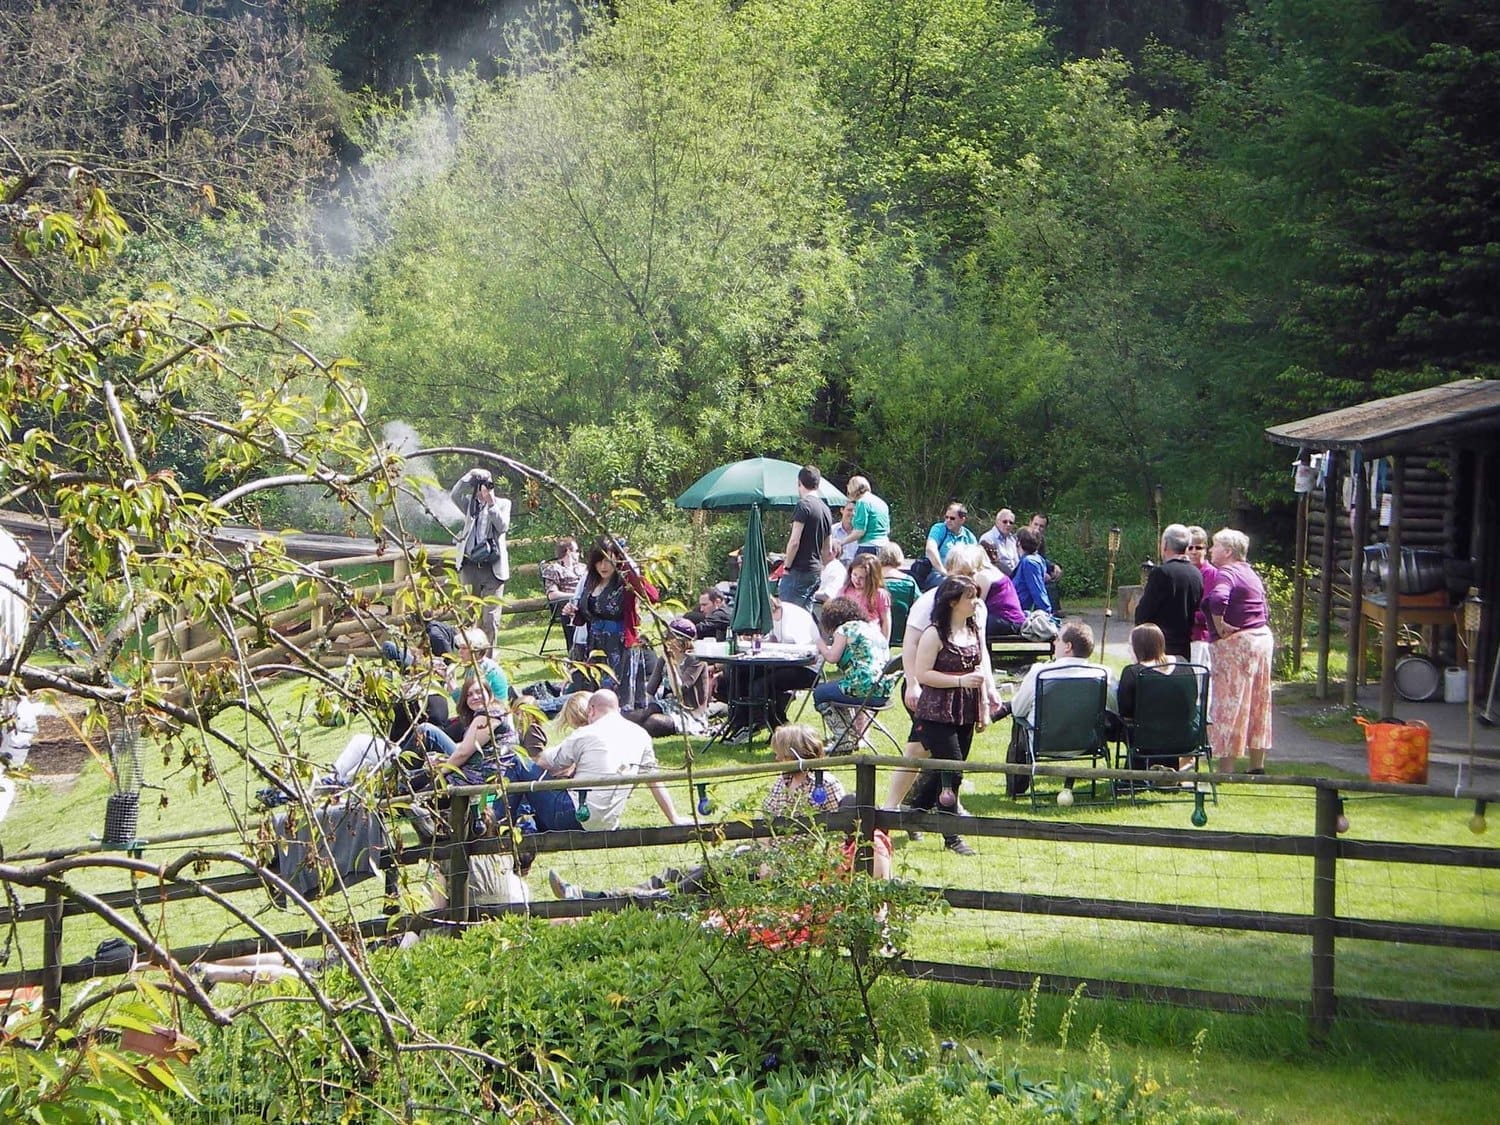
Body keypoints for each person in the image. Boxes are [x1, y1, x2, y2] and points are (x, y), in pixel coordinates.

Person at [547, 724, 889, 901]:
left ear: (795, 754)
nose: (774, 760)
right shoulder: (781, 782)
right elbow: (764, 824)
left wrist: (782, 864)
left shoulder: (825, 786)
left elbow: (831, 839)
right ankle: (596, 897)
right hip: (760, 855)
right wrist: (763, 851)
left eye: (779, 754)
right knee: (677, 872)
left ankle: (640, 900)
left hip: (786, 866)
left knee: (694, 880)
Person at [881, 576, 989, 826]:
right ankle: (952, 835)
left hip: (965, 711)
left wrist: (983, 706)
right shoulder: (934, 633)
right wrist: (960, 681)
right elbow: (923, 674)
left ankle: (912, 815)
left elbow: (980, 669)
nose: (976, 602)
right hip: (936, 712)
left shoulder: (973, 630)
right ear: (953, 602)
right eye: (970, 597)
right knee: (953, 772)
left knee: (944, 770)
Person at [532, 689, 689, 829]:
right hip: (608, 823)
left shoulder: (586, 733)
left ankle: (513, 826)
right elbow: (654, 780)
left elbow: (543, 763)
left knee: (519, 764)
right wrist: (674, 818)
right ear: (617, 709)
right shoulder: (641, 735)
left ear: (591, 710)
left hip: (576, 815)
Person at [997, 621, 1116, 798]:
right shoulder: (1103, 674)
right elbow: (1115, 708)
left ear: (1068, 646)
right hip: (1088, 744)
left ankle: (1015, 788)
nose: (1054, 643)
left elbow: (1018, 709)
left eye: (1058, 639)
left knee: (1018, 723)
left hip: (1043, 744)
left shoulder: (1040, 672)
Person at [1202, 528, 1273, 774]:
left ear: (1228, 551)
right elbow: (1263, 607)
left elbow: (1218, 599)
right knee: (1258, 701)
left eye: (1214, 546)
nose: (1211, 550)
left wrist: (1220, 625)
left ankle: (1226, 768)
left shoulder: (1228, 572)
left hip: (1237, 644)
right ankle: (1256, 765)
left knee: (1228, 702)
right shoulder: (1250, 573)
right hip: (1262, 637)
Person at [564, 538, 660, 711]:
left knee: (616, 694)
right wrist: (575, 611)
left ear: (618, 558)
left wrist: (629, 569)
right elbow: (589, 612)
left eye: (609, 560)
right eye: (599, 561)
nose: (603, 566)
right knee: (594, 692)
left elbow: (652, 596)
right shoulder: (591, 581)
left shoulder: (626, 582)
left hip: (620, 646)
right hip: (595, 646)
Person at [1117, 623, 1199, 773]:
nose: (1129, 649)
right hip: (1186, 739)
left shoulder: (1133, 673)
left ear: (1139, 647)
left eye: (1130, 644)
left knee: (1118, 723)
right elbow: (1193, 698)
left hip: (1146, 740)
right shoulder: (1184, 664)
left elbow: (1125, 711)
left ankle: (1140, 774)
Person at [627, 618, 716, 738]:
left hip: (689, 712)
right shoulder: (663, 659)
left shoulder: (696, 661)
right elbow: (650, 690)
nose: (665, 640)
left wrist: (670, 663)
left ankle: (637, 731)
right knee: (641, 714)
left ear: (680, 641)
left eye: (668, 637)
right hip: (668, 704)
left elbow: (678, 691)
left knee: (654, 722)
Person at [450, 467, 511, 640]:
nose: (486, 488)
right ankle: (469, 656)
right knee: (468, 614)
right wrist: (467, 477)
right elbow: (454, 495)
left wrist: (491, 503)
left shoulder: (503, 503)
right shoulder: (470, 503)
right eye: (483, 484)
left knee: (490, 618)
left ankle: (489, 660)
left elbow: (502, 527)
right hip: (470, 566)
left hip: (493, 568)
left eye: (489, 484)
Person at [812, 596, 892, 717]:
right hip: (883, 691)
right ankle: (852, 730)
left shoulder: (845, 629)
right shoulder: (871, 627)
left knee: (820, 692)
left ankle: (842, 732)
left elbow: (832, 657)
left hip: (862, 688)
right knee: (836, 687)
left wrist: (817, 640)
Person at [1134, 523, 1204, 659]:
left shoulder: (1162, 573)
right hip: (1184, 647)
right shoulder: (1196, 574)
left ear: (1165, 544)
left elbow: (1143, 614)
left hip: (1159, 648)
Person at [778, 465, 834, 611]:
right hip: (815, 571)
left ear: (799, 483)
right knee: (805, 617)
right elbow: (827, 549)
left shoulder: (803, 505)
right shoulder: (826, 509)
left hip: (798, 570)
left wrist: (787, 567)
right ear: (818, 484)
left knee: (788, 615)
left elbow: (794, 541)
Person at [920, 503, 979, 591]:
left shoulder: (970, 537)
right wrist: (944, 572)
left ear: (962, 520)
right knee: (953, 586)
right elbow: (930, 549)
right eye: (946, 517)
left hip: (962, 577)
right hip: (937, 574)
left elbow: (976, 561)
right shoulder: (939, 529)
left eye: (952, 518)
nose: (948, 520)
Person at [1185, 525, 1217, 671]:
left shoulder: (1210, 574)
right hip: (1183, 637)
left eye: (1198, 548)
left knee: (1199, 683)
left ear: (1205, 549)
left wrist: (1183, 615)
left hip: (1201, 638)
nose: (1193, 552)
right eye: (1189, 547)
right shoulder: (1184, 571)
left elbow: (1206, 610)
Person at [841, 553, 892, 640]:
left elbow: (886, 621)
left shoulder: (879, 594)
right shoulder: (845, 591)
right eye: (854, 575)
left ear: (872, 578)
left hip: (870, 636)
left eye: (862, 578)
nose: (857, 580)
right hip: (847, 634)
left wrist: (884, 643)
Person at [975, 555, 1025, 640]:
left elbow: (978, 605)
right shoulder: (994, 570)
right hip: (1012, 620)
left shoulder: (983, 575)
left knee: (972, 624)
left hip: (1008, 621)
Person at [878, 543, 918, 641]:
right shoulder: (909, 581)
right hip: (903, 631)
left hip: (878, 629)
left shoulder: (873, 580)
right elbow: (919, 604)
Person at [842, 475, 890, 556]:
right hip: (885, 547)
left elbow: (860, 531)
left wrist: (841, 542)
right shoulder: (881, 502)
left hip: (868, 548)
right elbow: (887, 529)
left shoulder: (862, 502)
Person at [1028, 513, 1064, 614]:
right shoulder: (1023, 537)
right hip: (1025, 571)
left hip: (1035, 569)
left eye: (1041, 526)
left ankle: (1053, 611)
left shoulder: (1041, 540)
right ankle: (1049, 612)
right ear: (1030, 523)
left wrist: (1053, 567)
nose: (1037, 528)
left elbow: (1042, 558)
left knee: (1054, 576)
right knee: (1047, 583)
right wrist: (1041, 573)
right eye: (1035, 524)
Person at [1012, 528, 1053, 614]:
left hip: (1020, 612)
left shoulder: (1030, 562)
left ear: (1018, 542)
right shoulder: (1035, 559)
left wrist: (1046, 614)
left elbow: (1037, 590)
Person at [541, 537, 586, 604]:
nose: (579, 554)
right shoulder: (553, 570)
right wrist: (576, 596)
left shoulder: (583, 567)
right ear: (568, 551)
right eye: (576, 551)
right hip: (569, 605)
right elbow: (552, 595)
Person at [978, 509, 1020, 577]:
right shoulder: (987, 539)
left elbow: (1016, 561)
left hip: (1014, 578)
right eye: (1005, 522)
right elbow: (985, 564)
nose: (1008, 524)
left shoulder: (1012, 540)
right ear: (997, 522)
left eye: (1011, 522)